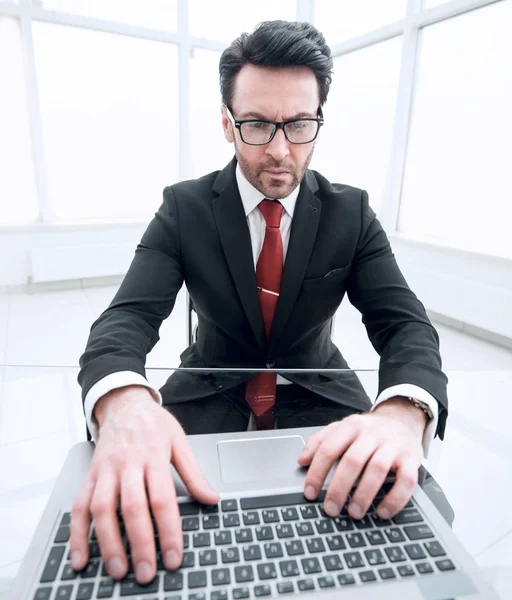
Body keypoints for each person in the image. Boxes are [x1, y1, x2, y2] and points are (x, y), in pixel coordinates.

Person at [71, 20, 448, 585]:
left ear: (318, 122)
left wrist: (400, 414)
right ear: (228, 123)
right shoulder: (185, 208)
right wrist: (124, 402)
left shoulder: (353, 214)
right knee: (135, 520)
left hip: (318, 385)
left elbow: (404, 326)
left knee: (410, 512)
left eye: (298, 124)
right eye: (256, 125)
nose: (279, 149)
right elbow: (128, 316)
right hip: (209, 382)